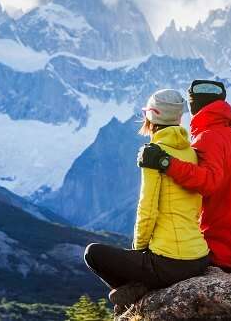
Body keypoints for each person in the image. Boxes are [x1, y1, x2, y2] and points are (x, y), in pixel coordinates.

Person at [84, 89, 210, 307]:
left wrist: (138, 248)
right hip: (199, 257)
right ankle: (139, 286)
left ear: (151, 116)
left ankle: (139, 288)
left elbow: (147, 209)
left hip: (169, 262)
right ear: (179, 117)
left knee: (93, 253)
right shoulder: (192, 152)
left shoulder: (153, 153)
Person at [138, 80, 231, 271]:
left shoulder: (207, 138)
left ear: (194, 106)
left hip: (223, 251)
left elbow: (209, 182)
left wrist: (165, 162)